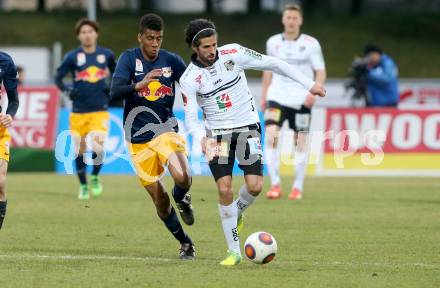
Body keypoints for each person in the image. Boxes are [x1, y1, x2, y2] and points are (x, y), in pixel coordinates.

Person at [180, 18, 325, 265]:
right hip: (218, 135)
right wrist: (202, 140)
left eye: (214, 44)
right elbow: (191, 117)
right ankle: (234, 252)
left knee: (255, 186)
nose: (212, 50)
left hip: (247, 128)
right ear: (195, 47)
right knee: (224, 188)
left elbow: (274, 63)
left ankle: (236, 212)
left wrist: (309, 84)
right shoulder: (190, 78)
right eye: (206, 46)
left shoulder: (234, 53)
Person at [110, 13, 195, 260]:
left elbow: (193, 84)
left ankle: (183, 198)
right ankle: (185, 243)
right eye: (150, 38)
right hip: (137, 138)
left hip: (165, 130)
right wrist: (138, 84)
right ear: (140, 38)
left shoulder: (172, 61)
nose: (155, 43)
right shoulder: (128, 59)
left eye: (158, 38)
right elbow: (114, 92)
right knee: (159, 199)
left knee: (183, 176)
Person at [261, 4, 326, 201]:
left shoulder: (311, 43)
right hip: (277, 96)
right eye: (288, 17)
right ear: (283, 20)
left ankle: (297, 186)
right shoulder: (273, 42)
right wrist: (264, 95)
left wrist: (313, 93)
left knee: (301, 141)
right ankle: (275, 184)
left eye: (294, 18)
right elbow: (267, 69)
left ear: (300, 21)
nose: (291, 21)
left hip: (301, 99)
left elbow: (320, 71)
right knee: (271, 136)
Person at [55, 18, 116, 200]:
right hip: (78, 111)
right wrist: (67, 90)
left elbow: (119, 72)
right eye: (83, 32)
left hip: (99, 109)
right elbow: (58, 77)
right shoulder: (73, 57)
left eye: (90, 31)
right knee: (79, 150)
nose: (87, 35)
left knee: (98, 145)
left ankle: (95, 176)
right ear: (78, 36)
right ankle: (83, 185)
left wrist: (111, 85)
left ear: (96, 34)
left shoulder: (106, 55)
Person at [0, 51, 20, 230]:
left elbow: (14, 100)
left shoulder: (5, 61)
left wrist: (10, 115)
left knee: (0, 182)